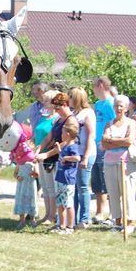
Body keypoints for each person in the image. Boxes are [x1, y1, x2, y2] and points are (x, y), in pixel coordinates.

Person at [35, 92, 80, 230]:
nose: (56, 111)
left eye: (58, 108)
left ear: (65, 105)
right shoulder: (58, 120)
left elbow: (65, 143)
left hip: (59, 159)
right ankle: (49, 215)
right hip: (49, 157)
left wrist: (46, 154)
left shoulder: (71, 121)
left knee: (57, 191)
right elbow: (49, 138)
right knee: (48, 188)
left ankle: (58, 220)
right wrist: (38, 150)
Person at [102, 95, 136, 235]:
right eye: (116, 105)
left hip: (125, 161)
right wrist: (116, 141)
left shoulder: (131, 123)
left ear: (126, 107)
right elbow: (103, 142)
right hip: (109, 161)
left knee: (127, 191)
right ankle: (117, 221)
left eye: (121, 106)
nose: (118, 108)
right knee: (113, 192)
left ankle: (129, 221)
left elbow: (129, 141)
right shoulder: (109, 123)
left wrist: (111, 140)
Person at [68, 87, 96, 229]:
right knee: (75, 187)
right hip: (75, 153)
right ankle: (73, 218)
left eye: (71, 97)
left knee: (83, 186)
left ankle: (85, 218)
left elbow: (91, 135)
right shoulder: (73, 113)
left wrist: (85, 157)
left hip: (86, 153)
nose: (69, 99)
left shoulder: (88, 113)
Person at [91, 76, 115, 225]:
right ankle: (99, 212)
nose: (93, 90)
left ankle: (113, 213)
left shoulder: (111, 103)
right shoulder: (98, 104)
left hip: (105, 146)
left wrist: (106, 141)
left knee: (108, 180)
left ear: (100, 85)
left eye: (94, 86)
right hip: (95, 145)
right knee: (97, 182)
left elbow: (114, 123)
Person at [33, 89, 58, 225]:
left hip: (50, 155)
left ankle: (52, 215)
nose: (44, 103)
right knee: (45, 185)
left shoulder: (56, 119)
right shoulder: (44, 117)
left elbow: (52, 138)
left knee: (51, 186)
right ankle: (47, 213)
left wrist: (44, 151)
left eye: (47, 101)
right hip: (40, 154)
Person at [53, 122, 81, 235]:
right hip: (60, 177)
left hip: (68, 179)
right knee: (60, 203)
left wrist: (66, 158)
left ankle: (70, 226)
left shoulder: (73, 147)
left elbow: (77, 158)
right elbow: (61, 157)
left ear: (68, 134)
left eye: (63, 132)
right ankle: (62, 225)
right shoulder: (65, 145)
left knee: (68, 203)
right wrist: (59, 149)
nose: (61, 134)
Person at [11, 124, 39, 229]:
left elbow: (37, 174)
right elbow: (15, 173)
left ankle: (33, 219)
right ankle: (22, 220)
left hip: (31, 184)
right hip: (22, 184)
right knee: (21, 200)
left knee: (32, 200)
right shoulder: (20, 163)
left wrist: (34, 174)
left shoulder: (33, 162)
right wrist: (17, 177)